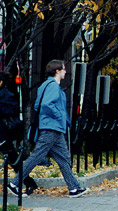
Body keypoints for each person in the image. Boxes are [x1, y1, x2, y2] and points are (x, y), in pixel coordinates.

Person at [8, 60, 89, 198]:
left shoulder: (46, 85)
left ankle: (74, 188)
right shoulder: (52, 86)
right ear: (57, 71)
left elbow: (37, 106)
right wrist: (59, 117)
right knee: (37, 156)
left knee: (64, 158)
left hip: (53, 128)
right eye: (63, 69)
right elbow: (46, 105)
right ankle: (14, 184)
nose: (65, 72)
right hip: (51, 128)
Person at [0, 73, 39, 196]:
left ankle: (28, 182)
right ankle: (28, 182)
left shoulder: (7, 95)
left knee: (12, 158)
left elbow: (11, 111)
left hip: (3, 134)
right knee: (12, 158)